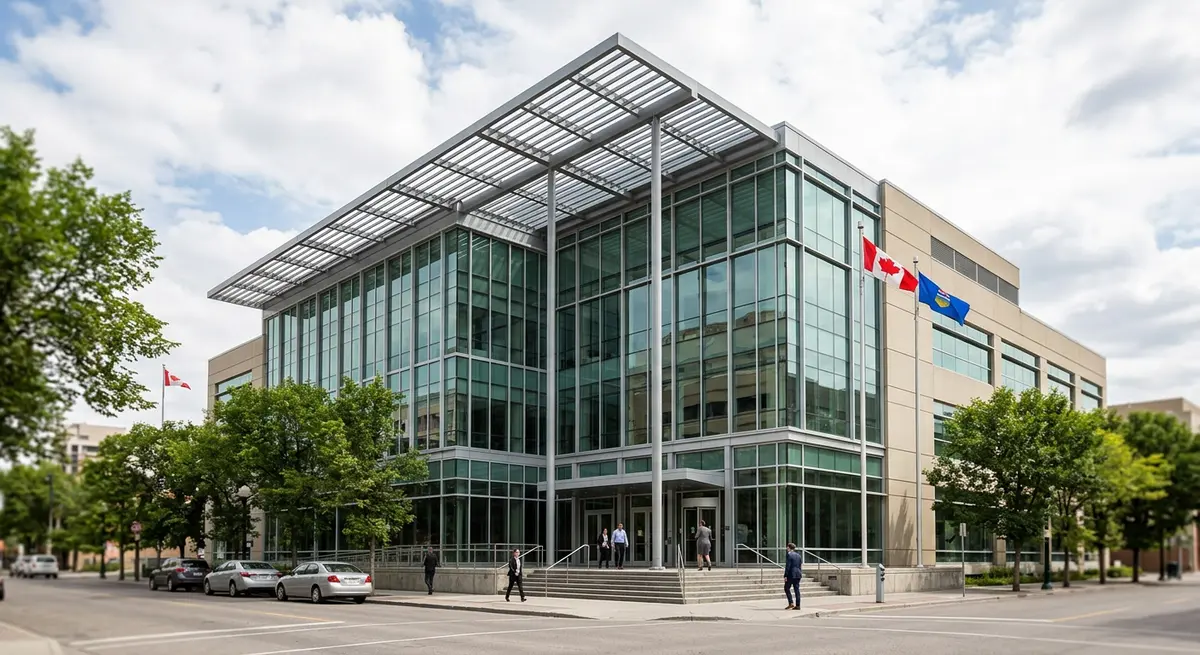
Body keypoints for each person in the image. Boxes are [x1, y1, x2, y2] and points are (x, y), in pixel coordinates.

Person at [784, 542, 802, 610]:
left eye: (787, 547)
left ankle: (791, 603)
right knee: (797, 590)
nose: (786, 548)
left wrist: (785, 575)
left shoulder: (789, 555)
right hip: (798, 574)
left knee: (786, 588)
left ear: (788, 547)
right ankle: (798, 605)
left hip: (791, 574)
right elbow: (800, 565)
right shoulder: (798, 555)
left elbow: (788, 566)